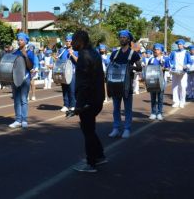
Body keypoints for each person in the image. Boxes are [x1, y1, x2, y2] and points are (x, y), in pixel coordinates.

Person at [69, 30, 106, 173]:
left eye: (74, 40)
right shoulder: (94, 53)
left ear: (81, 41)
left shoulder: (84, 56)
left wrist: (79, 105)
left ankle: (91, 163)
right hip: (97, 98)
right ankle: (100, 155)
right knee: (89, 129)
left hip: (88, 100)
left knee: (88, 132)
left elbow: (84, 83)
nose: (72, 43)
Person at [108, 30, 142, 139]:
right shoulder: (114, 53)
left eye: (124, 37)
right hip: (115, 85)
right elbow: (110, 66)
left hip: (127, 86)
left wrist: (132, 68)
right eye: (120, 37)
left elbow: (140, 67)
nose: (122, 39)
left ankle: (127, 129)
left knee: (127, 108)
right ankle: (116, 128)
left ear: (128, 40)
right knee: (116, 108)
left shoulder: (133, 54)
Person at [8, 32, 35, 129]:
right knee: (16, 100)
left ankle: (24, 120)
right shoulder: (15, 52)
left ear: (26, 41)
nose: (19, 41)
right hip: (15, 79)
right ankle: (18, 120)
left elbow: (31, 66)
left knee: (23, 100)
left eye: (21, 40)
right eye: (18, 40)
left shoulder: (30, 52)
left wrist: (26, 56)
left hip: (25, 79)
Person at [147, 44, 170, 121]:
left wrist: (164, 68)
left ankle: (159, 113)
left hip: (161, 81)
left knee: (160, 98)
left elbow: (169, 68)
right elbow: (148, 69)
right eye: (154, 49)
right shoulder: (151, 59)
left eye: (157, 49)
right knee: (153, 98)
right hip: (152, 81)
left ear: (161, 51)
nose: (155, 51)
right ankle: (153, 112)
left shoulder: (164, 59)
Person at [57, 34, 77, 114]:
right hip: (63, 73)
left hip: (72, 72)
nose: (68, 43)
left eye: (70, 41)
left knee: (72, 90)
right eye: (67, 41)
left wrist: (72, 54)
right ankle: (66, 105)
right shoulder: (62, 50)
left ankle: (73, 105)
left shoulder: (76, 50)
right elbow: (59, 61)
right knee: (64, 89)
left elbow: (78, 61)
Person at [169, 39, 191, 108]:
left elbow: (190, 62)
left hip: (183, 72)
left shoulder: (186, 52)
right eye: (178, 44)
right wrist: (172, 66)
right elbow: (170, 60)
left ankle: (182, 101)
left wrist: (186, 66)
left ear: (183, 45)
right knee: (174, 87)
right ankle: (176, 101)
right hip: (175, 72)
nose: (179, 45)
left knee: (183, 87)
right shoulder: (173, 52)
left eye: (181, 44)